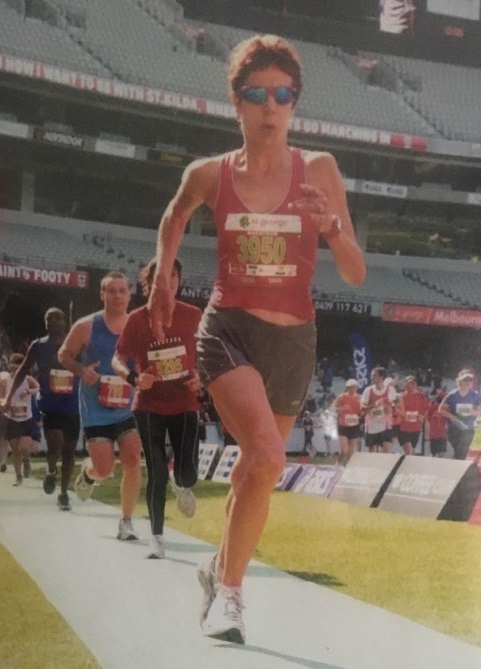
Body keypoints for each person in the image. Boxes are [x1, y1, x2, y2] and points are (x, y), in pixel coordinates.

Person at [147, 34, 366, 643]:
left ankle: (218, 568)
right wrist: (164, 278)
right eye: (256, 94)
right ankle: (231, 599)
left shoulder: (318, 169)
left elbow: (353, 270)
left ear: (295, 104)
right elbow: (176, 211)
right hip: (229, 330)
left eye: (283, 94)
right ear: (237, 103)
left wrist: (332, 231)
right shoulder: (211, 174)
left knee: (253, 471)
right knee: (270, 457)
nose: (270, 106)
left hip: (293, 340)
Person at [112, 258, 202, 559]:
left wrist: (200, 376)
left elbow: (209, 353)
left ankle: (184, 482)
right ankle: (157, 538)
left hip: (185, 403)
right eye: (160, 278)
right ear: (148, 283)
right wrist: (136, 378)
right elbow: (117, 360)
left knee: (187, 473)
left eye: (173, 276)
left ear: (179, 280)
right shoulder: (137, 320)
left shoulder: (193, 315)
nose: (168, 282)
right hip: (149, 405)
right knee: (157, 473)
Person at [58, 271, 142, 539]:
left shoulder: (137, 326)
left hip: (127, 406)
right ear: (102, 295)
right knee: (104, 469)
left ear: (129, 295)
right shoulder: (87, 326)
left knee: (132, 458)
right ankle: (89, 474)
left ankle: (126, 521)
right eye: (111, 291)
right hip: (95, 409)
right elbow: (64, 354)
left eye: (122, 291)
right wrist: (82, 370)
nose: (117, 295)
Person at [4, 308, 80, 510]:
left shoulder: (76, 343)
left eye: (57, 318)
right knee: (55, 443)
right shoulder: (39, 346)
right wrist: (9, 396)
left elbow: (90, 366)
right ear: (45, 323)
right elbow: (21, 371)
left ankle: (63, 493)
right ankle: (51, 469)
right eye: (48, 319)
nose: (53, 322)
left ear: (65, 321)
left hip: (73, 404)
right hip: (51, 403)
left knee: (70, 450)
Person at [0, 353, 39, 486]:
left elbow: (38, 388)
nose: (15, 368)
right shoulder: (4, 381)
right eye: (13, 365)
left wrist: (28, 392)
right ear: (9, 366)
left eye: (18, 365)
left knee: (23, 447)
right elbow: (1, 398)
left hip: (26, 418)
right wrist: (5, 404)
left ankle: (27, 460)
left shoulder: (28, 379)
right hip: (11, 418)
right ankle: (18, 476)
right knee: (15, 449)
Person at [438, 369, 481, 460]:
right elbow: (441, 409)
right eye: (466, 380)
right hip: (454, 428)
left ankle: (457, 469)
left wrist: (471, 412)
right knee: (459, 452)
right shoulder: (452, 395)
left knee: (462, 452)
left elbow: (479, 411)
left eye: (470, 380)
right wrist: (451, 416)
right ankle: (457, 467)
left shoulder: (475, 396)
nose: (468, 382)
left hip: (468, 428)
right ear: (460, 381)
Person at [361, 367, 397, 453]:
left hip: (386, 425)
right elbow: (362, 408)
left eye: (374, 376)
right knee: (372, 453)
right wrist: (374, 405)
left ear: (381, 377)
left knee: (386, 452)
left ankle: (384, 466)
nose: (371, 378)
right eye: (371, 375)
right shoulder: (368, 390)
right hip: (372, 425)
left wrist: (389, 408)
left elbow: (394, 405)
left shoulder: (390, 390)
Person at [330, 378, 362, 466]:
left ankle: (346, 468)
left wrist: (362, 413)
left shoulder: (359, 398)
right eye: (351, 387)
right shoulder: (342, 397)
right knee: (345, 450)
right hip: (343, 425)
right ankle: (338, 462)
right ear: (347, 388)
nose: (353, 389)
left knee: (351, 453)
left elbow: (362, 411)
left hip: (354, 425)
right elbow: (332, 408)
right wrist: (342, 409)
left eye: (355, 387)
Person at [398, 375, 429, 456]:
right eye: (410, 383)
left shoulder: (421, 396)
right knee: (409, 451)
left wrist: (422, 417)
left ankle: (403, 464)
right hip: (403, 428)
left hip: (416, 428)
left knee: (411, 452)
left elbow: (425, 410)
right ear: (405, 384)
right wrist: (404, 415)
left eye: (414, 383)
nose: (412, 385)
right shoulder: (401, 396)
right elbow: (397, 410)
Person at [426, 390, 448, 457]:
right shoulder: (446, 408)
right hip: (442, 434)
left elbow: (428, 419)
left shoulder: (431, 407)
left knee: (433, 454)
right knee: (441, 454)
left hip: (433, 435)